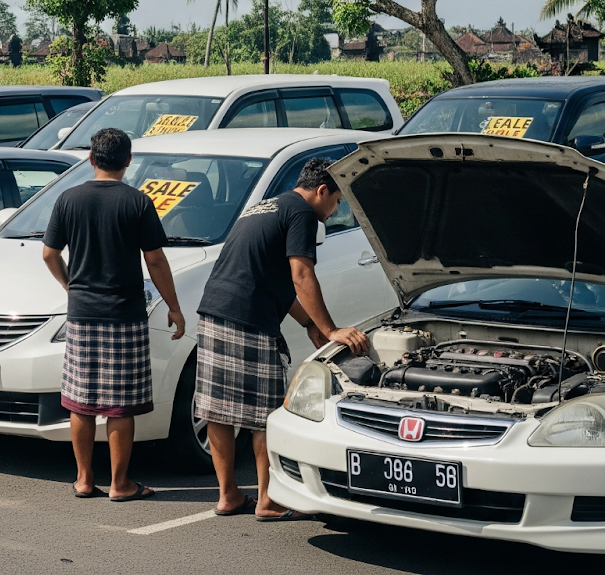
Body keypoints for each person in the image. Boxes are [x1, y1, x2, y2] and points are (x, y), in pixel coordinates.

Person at [195, 158, 368, 521]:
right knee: (265, 415)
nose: (335, 210)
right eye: (336, 201)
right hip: (249, 320)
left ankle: (228, 495)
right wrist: (332, 328)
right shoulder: (303, 214)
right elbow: (301, 273)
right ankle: (268, 501)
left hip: (214, 311)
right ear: (322, 191)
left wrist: (309, 323)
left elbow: (273, 279)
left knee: (217, 409)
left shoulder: (269, 204)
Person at [41, 128, 182, 502]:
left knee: (79, 400)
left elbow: (49, 255)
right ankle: (121, 484)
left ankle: (84, 479)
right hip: (124, 314)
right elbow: (155, 260)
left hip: (83, 314)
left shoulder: (68, 199)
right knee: (120, 403)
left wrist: (72, 287)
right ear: (128, 161)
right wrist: (174, 306)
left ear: (91, 159)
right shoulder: (138, 202)